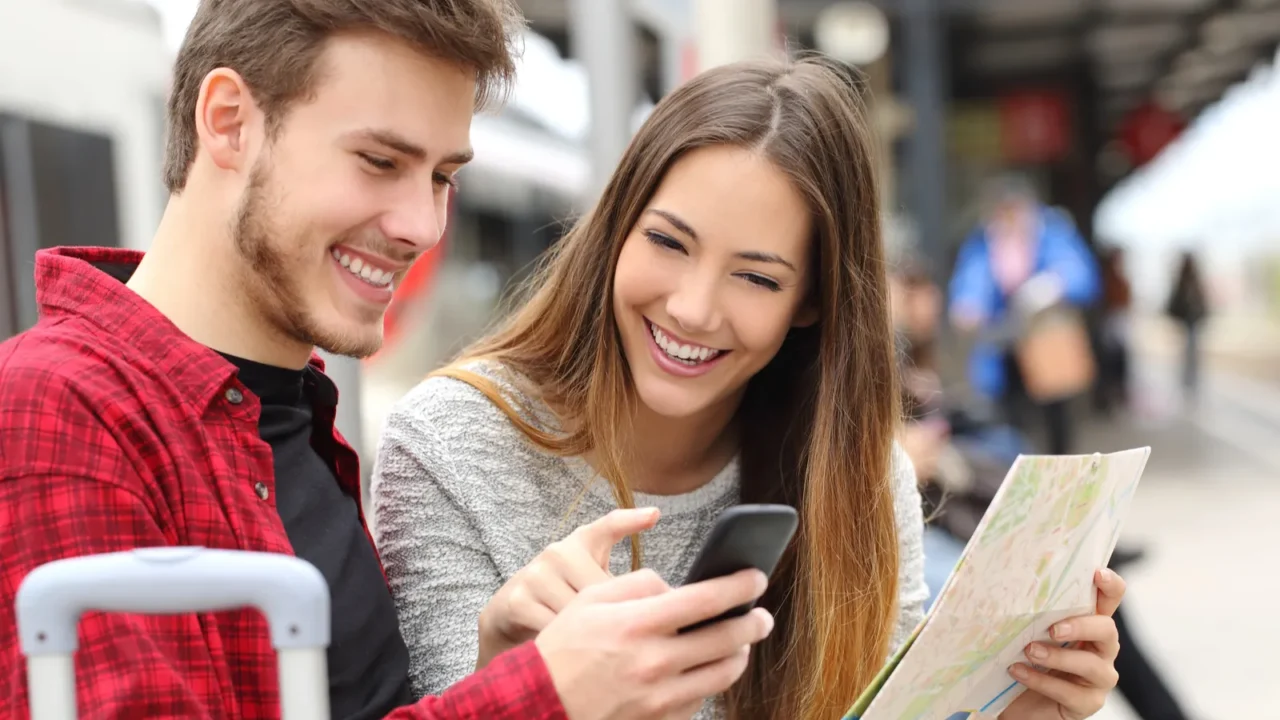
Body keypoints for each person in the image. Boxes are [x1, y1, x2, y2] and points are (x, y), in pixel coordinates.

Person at [0, 2, 774, 718]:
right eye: (378, 161)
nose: (421, 225)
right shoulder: (55, 411)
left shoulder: (287, 415)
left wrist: (498, 669)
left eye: (441, 177)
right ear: (230, 122)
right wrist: (540, 696)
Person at [372, 56, 1128, 720]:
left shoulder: (858, 477)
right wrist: (523, 681)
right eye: (668, 242)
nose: (693, 308)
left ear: (811, 302)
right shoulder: (449, 445)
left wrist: (1018, 714)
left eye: (757, 277)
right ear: (615, 230)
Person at [949, 176, 1101, 455]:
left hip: (1045, 345)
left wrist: (1053, 284)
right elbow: (971, 281)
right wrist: (967, 303)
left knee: (1055, 423)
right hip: (1002, 348)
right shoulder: (983, 242)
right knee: (1007, 423)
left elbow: (1080, 273)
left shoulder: (1053, 233)